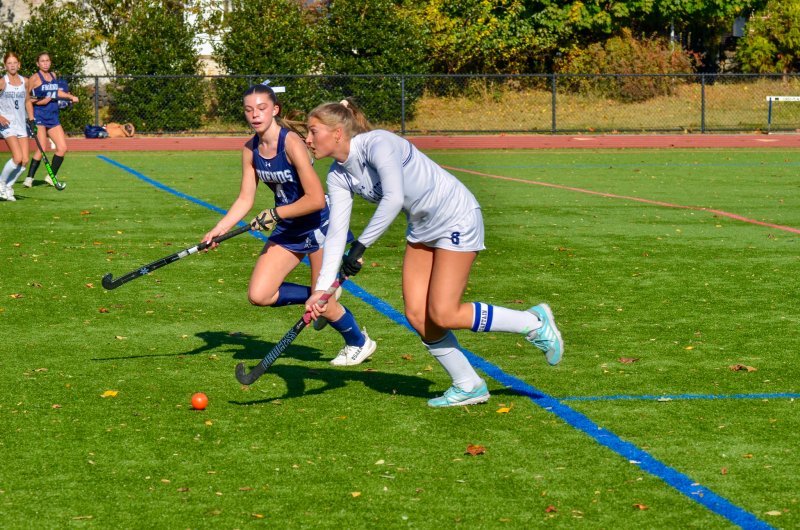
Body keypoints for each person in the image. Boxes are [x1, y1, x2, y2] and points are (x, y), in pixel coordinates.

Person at [304, 99, 564, 408]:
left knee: (444, 313)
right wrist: (322, 291)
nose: (307, 139)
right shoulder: (338, 175)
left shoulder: (379, 143)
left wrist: (360, 247)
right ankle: (468, 384)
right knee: (417, 314)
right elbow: (335, 234)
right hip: (423, 226)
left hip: (456, 215)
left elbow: (393, 198)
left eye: (312, 131)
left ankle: (533, 323)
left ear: (336, 132)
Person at [202, 84, 376, 367]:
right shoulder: (250, 150)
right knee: (260, 294)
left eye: (262, 108)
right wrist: (218, 230)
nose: (255, 115)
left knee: (325, 302)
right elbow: (245, 198)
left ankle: (359, 342)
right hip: (289, 226)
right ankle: (322, 295)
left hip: (320, 225)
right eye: (249, 110)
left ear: (275, 110)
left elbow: (317, 199)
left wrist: (276, 212)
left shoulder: (291, 143)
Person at [23, 52, 78, 188]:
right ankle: (29, 178)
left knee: (62, 148)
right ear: (38, 63)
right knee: (42, 148)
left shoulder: (53, 76)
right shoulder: (34, 79)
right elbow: (27, 99)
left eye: (47, 60)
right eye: (42, 61)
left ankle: (50, 176)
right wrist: (38, 105)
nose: (45, 63)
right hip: (40, 117)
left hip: (53, 117)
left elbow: (56, 92)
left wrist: (70, 97)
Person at [0, 52, 35, 201]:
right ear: (5, 66)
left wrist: (32, 119)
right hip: (7, 124)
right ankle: (1, 184)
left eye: (15, 63)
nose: (12, 65)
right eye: (9, 63)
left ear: (19, 64)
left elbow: (27, 101)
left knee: (25, 160)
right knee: (17, 157)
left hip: (21, 124)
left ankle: (8, 187)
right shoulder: (2, 82)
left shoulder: (25, 81)